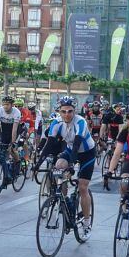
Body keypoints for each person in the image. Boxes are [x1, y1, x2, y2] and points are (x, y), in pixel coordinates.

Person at [33, 96, 96, 238]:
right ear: (59, 111)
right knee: (58, 166)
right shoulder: (56, 122)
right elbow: (49, 144)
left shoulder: (80, 122)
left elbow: (77, 144)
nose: (67, 114)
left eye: (70, 111)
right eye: (63, 111)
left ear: (75, 111)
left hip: (87, 153)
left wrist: (72, 165)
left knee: (82, 187)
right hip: (69, 151)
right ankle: (64, 199)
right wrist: (37, 164)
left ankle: (86, 223)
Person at [0, 96, 22, 177]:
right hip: (4, 130)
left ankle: (18, 163)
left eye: (7, 104)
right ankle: (6, 174)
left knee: (11, 150)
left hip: (15, 130)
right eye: (4, 104)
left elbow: (14, 130)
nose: (5, 106)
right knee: (2, 152)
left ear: (12, 105)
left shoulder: (16, 112)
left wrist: (13, 142)